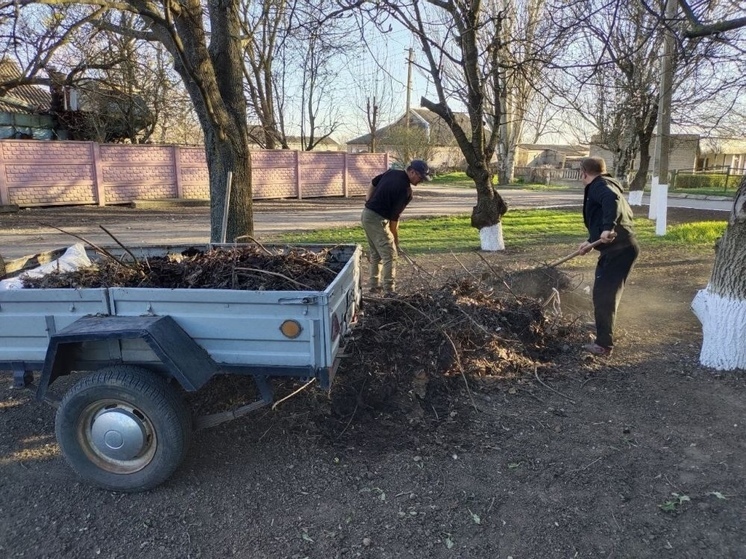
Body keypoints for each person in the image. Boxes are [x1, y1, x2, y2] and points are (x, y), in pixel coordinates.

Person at [577, 156, 640, 356]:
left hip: (618, 250)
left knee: (604, 295)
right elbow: (604, 211)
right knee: (603, 293)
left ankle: (604, 345)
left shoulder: (599, 186)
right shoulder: (607, 183)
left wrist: (607, 228)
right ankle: (603, 325)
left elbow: (610, 202)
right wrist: (591, 240)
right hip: (621, 248)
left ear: (583, 173)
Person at [361, 159, 432, 295]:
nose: (420, 181)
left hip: (367, 215)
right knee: (390, 254)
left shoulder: (392, 173)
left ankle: (374, 285)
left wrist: (368, 202)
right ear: (412, 171)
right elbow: (394, 219)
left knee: (376, 252)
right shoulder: (405, 190)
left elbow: (372, 183)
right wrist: (395, 240)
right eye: (420, 177)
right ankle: (389, 290)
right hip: (376, 219)